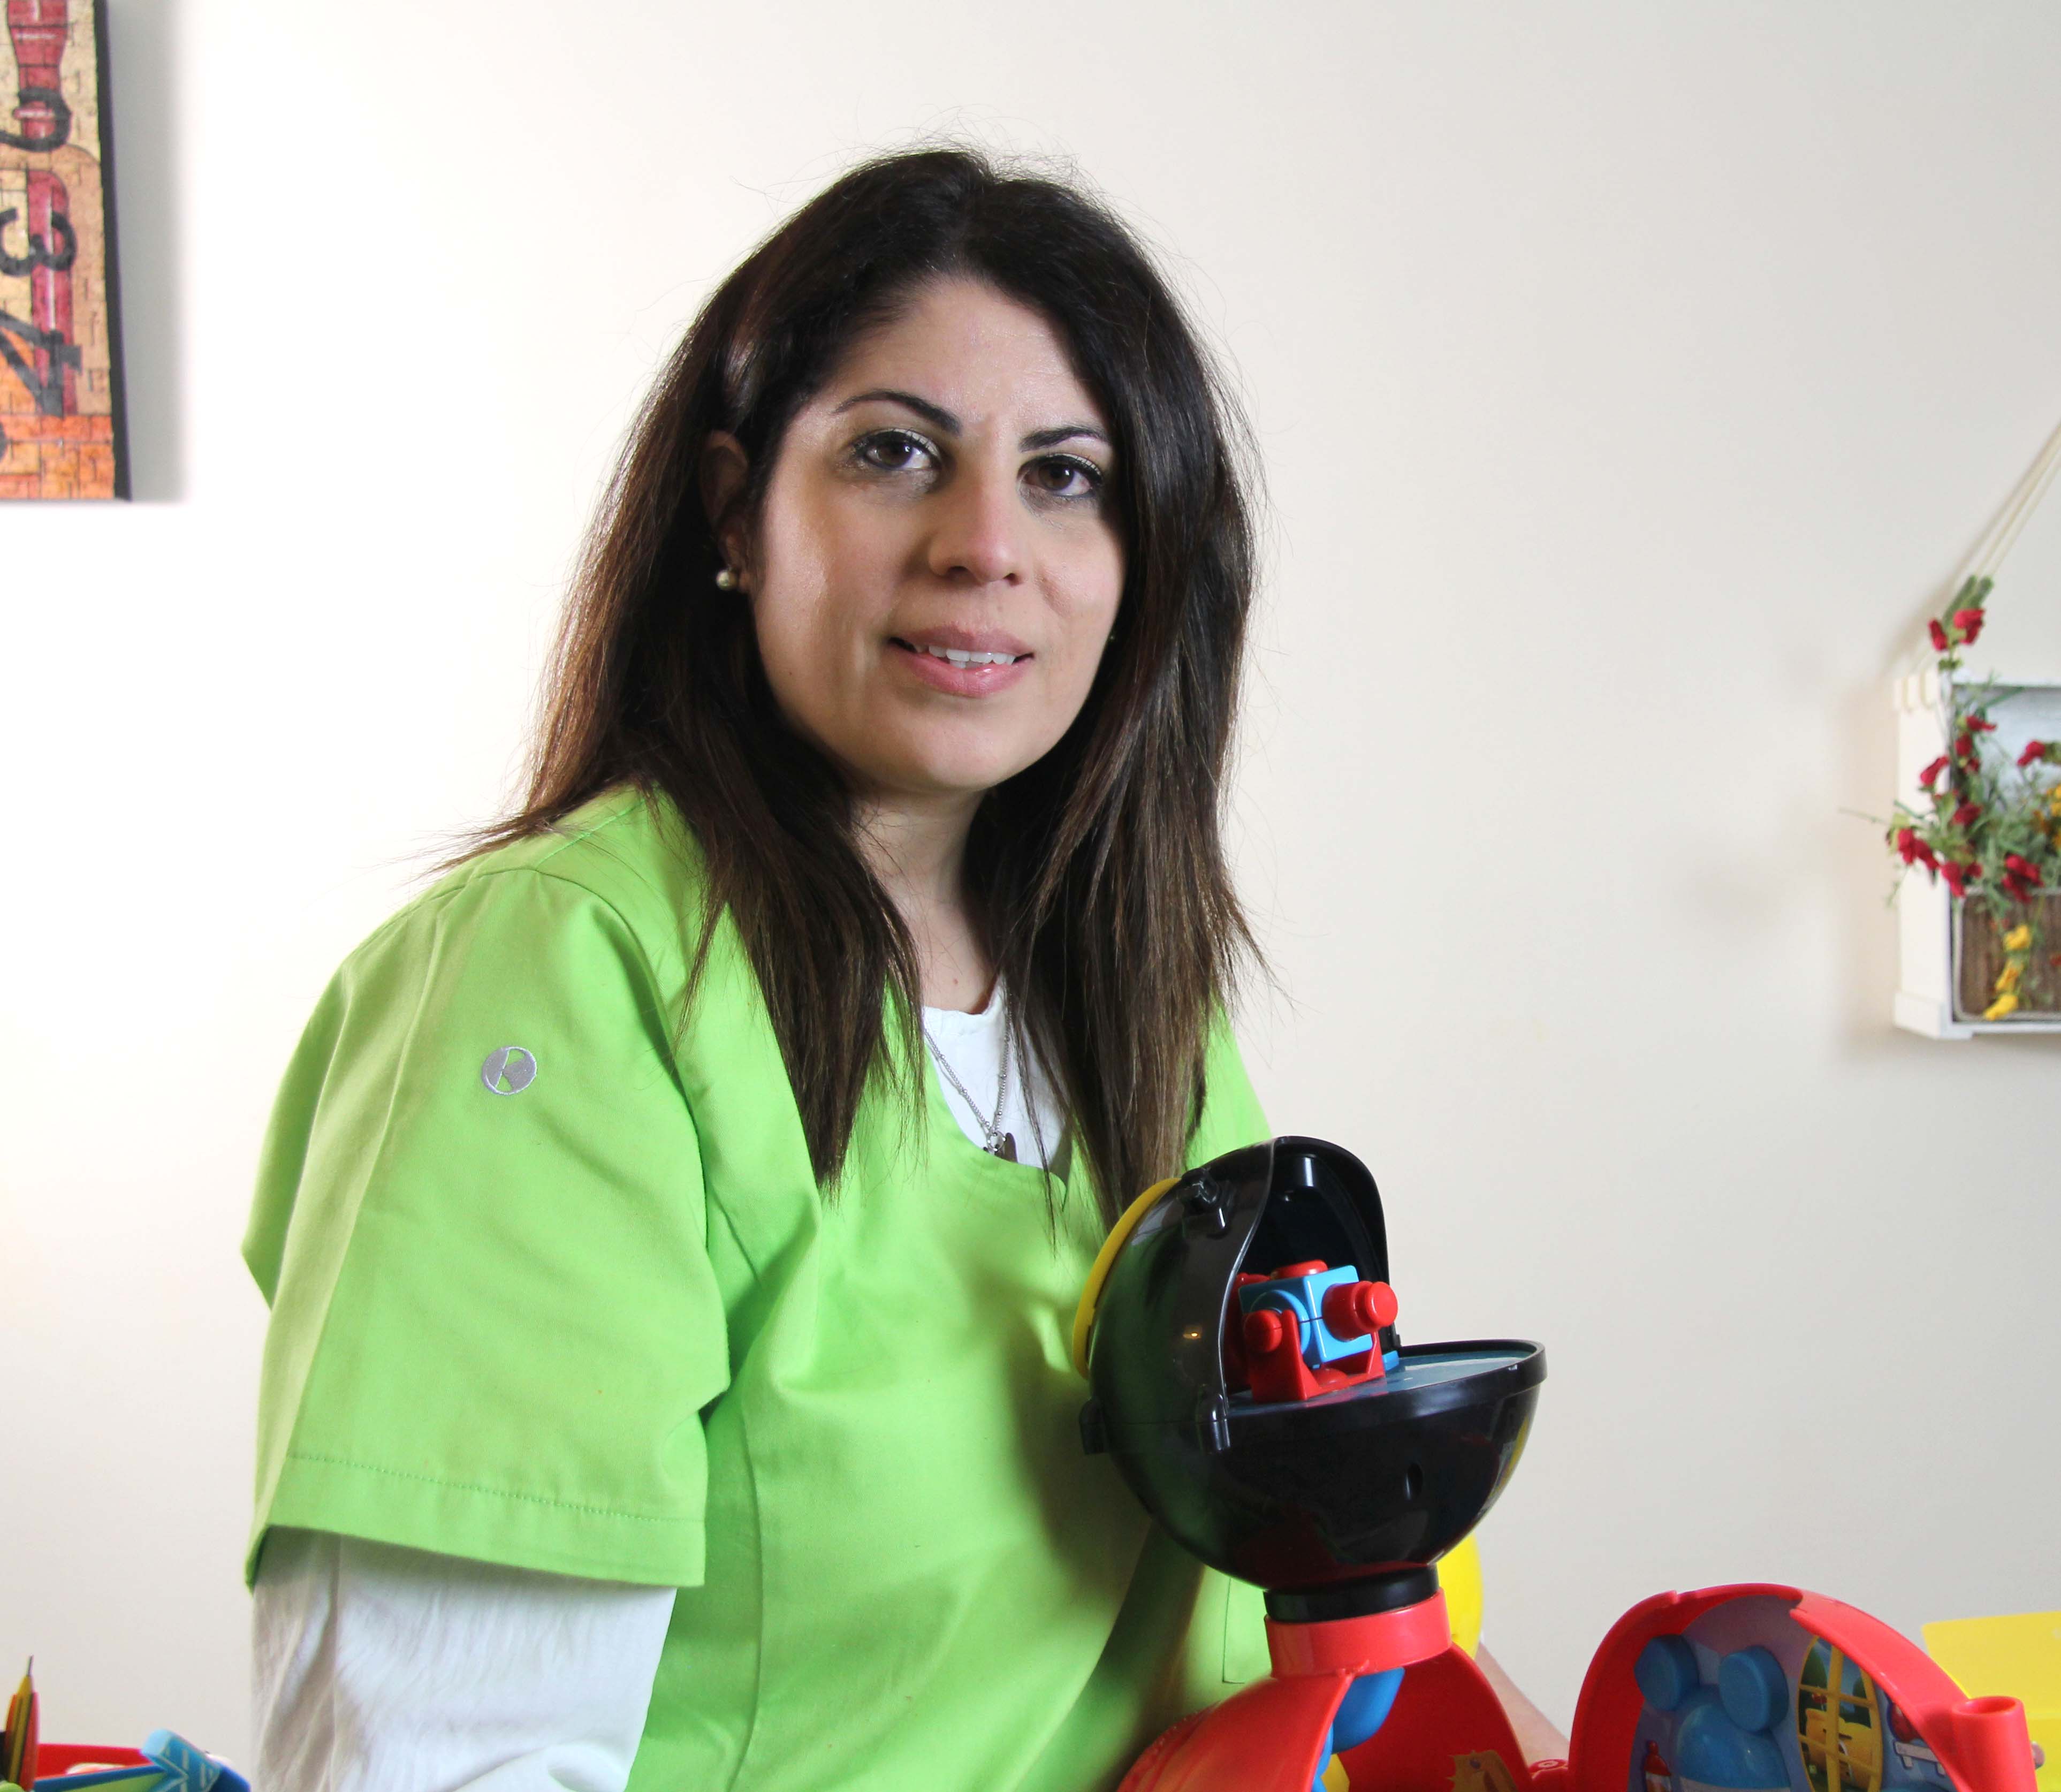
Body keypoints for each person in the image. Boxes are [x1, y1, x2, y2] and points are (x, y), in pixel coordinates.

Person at [244, 146, 1553, 1792]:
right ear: (734, 510)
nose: (983, 543)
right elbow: (435, 1763)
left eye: (1065, 475)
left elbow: (1301, 1603)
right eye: (894, 453)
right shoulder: (564, 980)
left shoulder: (1132, 998)